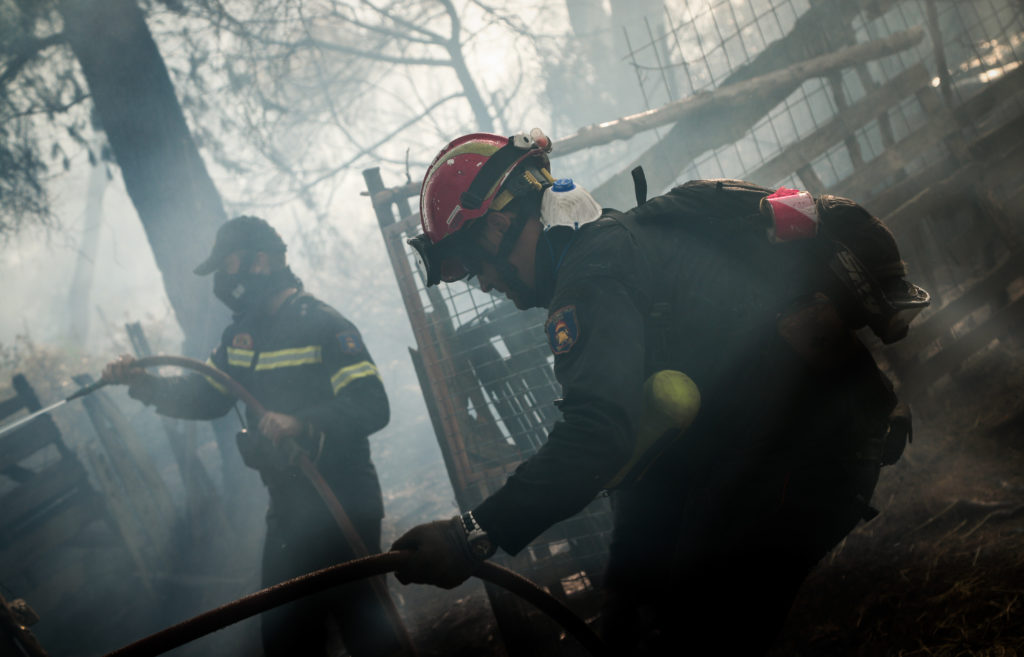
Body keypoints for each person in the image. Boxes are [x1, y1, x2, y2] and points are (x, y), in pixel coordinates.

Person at [390, 130, 926, 654]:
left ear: (499, 228)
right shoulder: (614, 244)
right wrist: (629, 587)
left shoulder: (592, 276)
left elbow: (598, 434)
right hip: (783, 443)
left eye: (472, 267)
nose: (483, 284)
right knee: (661, 616)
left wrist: (474, 534)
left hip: (810, 452)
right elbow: (656, 450)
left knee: (699, 630)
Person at [103, 216, 403, 657]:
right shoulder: (242, 338)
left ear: (261, 262)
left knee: (368, 634)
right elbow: (205, 397)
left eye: (229, 266)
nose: (225, 281)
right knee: (286, 640)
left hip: (342, 504)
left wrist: (302, 422)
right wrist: (141, 382)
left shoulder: (323, 324)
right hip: (287, 511)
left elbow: (373, 404)